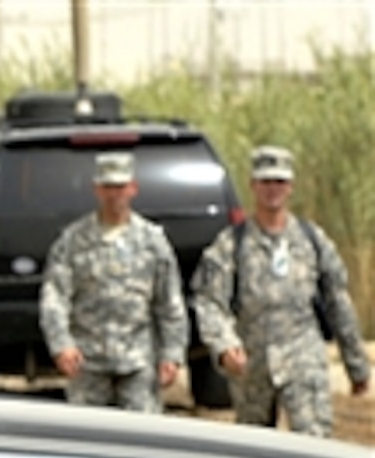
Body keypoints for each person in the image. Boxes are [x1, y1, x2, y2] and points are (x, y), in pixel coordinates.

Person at [191, 145, 370, 436]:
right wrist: (224, 345)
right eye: (265, 182)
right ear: (253, 186)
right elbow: (209, 300)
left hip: (303, 358)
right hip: (252, 365)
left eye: (279, 182)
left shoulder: (312, 240)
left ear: (290, 187)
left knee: (314, 444)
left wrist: (356, 365)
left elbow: (338, 302)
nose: (272, 189)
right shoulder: (230, 244)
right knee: (255, 455)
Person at [39, 151, 188, 412]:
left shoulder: (152, 241)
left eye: (120, 187)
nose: (114, 194)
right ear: (96, 189)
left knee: (141, 443)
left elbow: (169, 303)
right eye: (107, 187)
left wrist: (172, 354)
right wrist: (61, 344)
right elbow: (54, 297)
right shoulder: (73, 240)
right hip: (87, 363)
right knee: (88, 442)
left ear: (133, 188)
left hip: (138, 362)